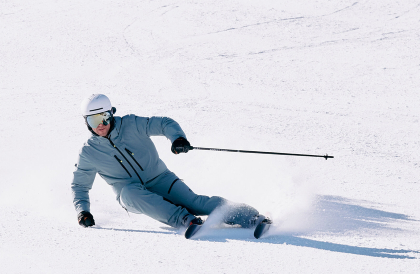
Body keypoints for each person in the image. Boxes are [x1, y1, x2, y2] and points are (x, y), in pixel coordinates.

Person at [71, 94, 271, 238]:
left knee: (197, 203)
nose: (101, 124)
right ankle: (185, 220)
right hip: (134, 195)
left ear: (111, 114)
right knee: (128, 193)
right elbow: (80, 186)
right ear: (86, 122)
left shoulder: (131, 124)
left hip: (161, 179)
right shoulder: (89, 153)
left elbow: (164, 123)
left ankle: (252, 217)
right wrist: (83, 211)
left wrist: (177, 139)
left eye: (104, 116)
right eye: (94, 119)